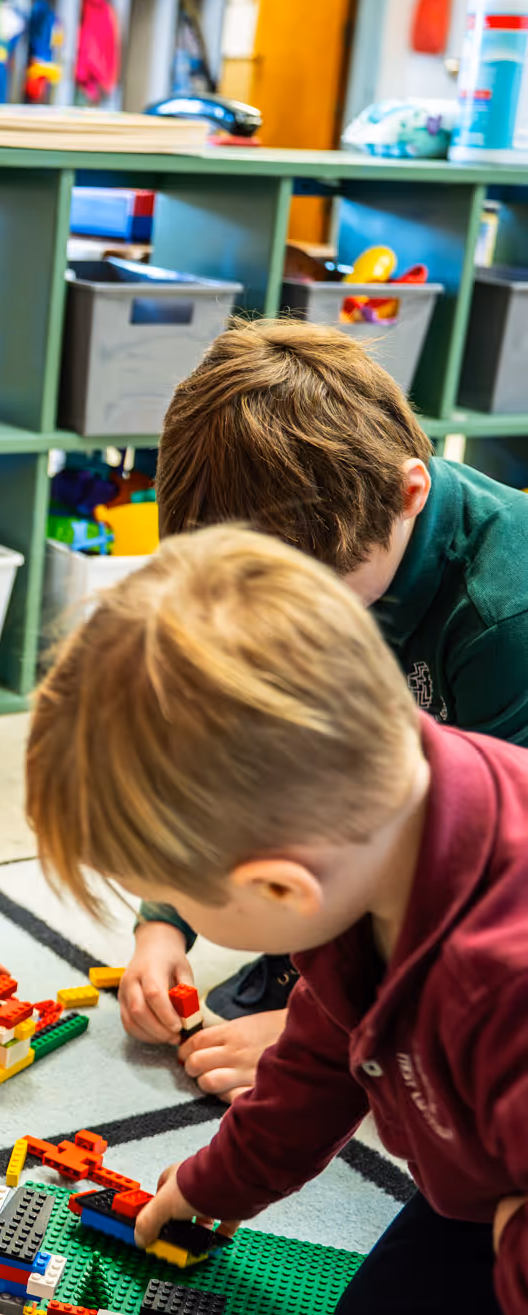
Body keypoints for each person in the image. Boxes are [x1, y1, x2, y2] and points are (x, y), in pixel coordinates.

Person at [26, 524, 528, 1315]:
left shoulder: (503, 977)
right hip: (502, 1181)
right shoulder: (386, 824)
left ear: (282, 888)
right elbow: (316, 1058)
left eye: (190, 901)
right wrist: (201, 1187)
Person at [118, 318, 528, 1099]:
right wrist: (164, 917)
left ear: (410, 493)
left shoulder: (506, 616)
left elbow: (497, 883)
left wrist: (328, 1033)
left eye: (308, 593)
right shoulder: (309, 561)